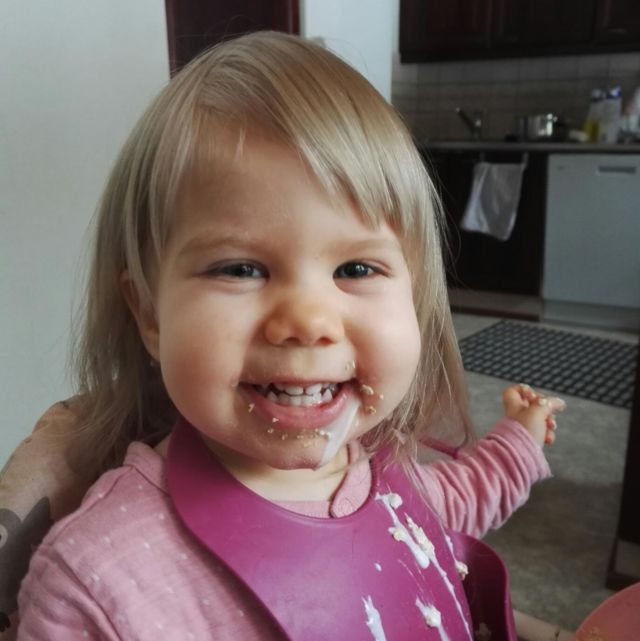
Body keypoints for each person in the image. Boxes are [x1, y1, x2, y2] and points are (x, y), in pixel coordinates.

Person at [15, 31, 565, 640]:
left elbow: (455, 504)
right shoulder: (98, 585)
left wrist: (519, 438)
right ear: (149, 313)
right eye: (240, 269)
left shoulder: (383, 471)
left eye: (356, 269)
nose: (308, 321)